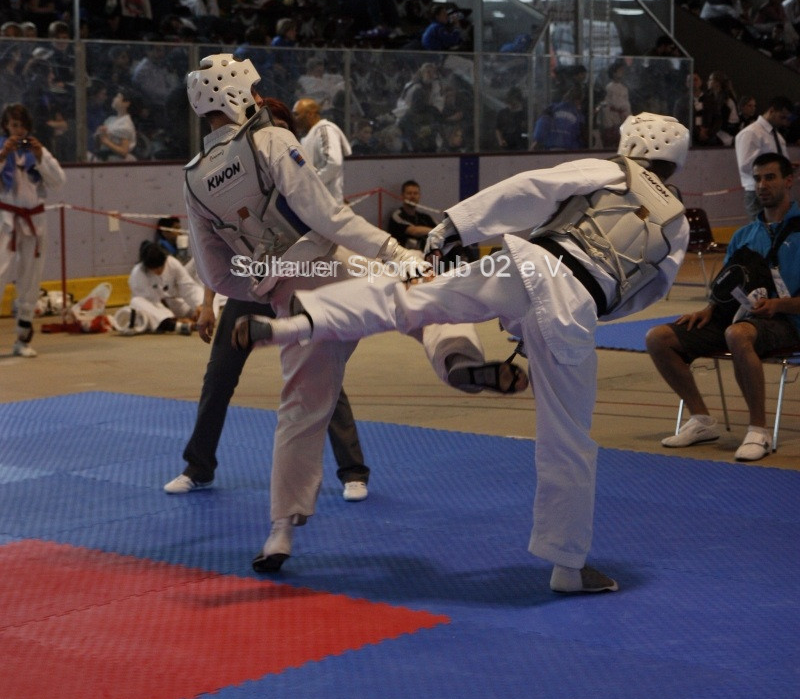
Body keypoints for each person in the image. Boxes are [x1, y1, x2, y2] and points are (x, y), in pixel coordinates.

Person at [238, 113, 691, 595]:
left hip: (527, 267)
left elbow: (532, 188)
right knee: (569, 440)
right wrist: (574, 314)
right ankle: (567, 566)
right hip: (578, 307)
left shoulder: (613, 170)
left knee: (409, 299)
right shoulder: (677, 224)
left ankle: (291, 325)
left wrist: (457, 225)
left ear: (631, 144)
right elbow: (644, 292)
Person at [182, 54, 498, 573]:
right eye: (254, 91)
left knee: (301, 409)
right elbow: (327, 215)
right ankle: (458, 362)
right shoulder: (270, 140)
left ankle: (280, 532)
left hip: (289, 298)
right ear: (236, 94)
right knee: (427, 295)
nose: (259, 99)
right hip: (335, 267)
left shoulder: (194, 178)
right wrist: (394, 252)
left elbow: (215, 275)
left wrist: (269, 287)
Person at [165, 95, 374, 502]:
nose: (270, 131)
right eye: (264, 125)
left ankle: (353, 470)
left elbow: (328, 233)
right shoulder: (232, 180)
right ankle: (198, 466)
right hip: (250, 287)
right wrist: (208, 303)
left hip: (298, 286)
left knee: (320, 375)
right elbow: (217, 251)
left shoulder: (297, 175)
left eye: (278, 125)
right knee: (218, 377)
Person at [647, 153, 800, 461]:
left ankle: (758, 431)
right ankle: (701, 420)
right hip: (741, 319)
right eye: (757, 179)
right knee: (658, 338)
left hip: (789, 322)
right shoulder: (744, 236)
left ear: (788, 181)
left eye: (770, 177)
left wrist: (778, 304)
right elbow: (727, 288)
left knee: (737, 334)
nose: (762, 185)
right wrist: (709, 308)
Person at [0, 102, 66, 356]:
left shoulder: (39, 150)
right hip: (7, 220)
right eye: (13, 125)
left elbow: (59, 182)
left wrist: (39, 157)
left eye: (21, 126)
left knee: (30, 278)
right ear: (5, 126)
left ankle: (23, 338)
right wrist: (3, 155)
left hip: (34, 221)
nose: (17, 130)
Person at [112, 240, 202, 335]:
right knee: (136, 301)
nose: (159, 271)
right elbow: (152, 301)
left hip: (175, 302)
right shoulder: (138, 273)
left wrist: (199, 304)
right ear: (147, 267)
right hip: (155, 311)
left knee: (201, 304)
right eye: (155, 269)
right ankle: (174, 325)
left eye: (161, 267)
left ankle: (197, 318)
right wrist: (176, 319)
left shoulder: (172, 263)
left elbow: (188, 286)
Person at [735, 96, 793, 220]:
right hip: (758, 192)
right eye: (782, 117)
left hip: (777, 190)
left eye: (786, 118)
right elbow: (746, 166)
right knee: (762, 229)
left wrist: (786, 167)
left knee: (779, 227)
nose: (784, 122)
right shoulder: (751, 133)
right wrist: (772, 169)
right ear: (771, 111)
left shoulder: (776, 136)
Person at [292, 96, 351, 203]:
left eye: (296, 114)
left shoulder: (325, 130)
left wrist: (311, 183)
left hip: (328, 204)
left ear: (310, 114)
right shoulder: (306, 136)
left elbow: (334, 163)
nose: (294, 118)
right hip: (314, 203)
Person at [387, 180, 437, 252]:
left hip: (425, 254)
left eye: (415, 193)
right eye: (409, 193)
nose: (412, 196)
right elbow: (414, 231)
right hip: (402, 255)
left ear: (419, 196)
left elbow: (441, 229)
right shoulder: (397, 216)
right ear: (402, 196)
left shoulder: (425, 217)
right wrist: (434, 231)